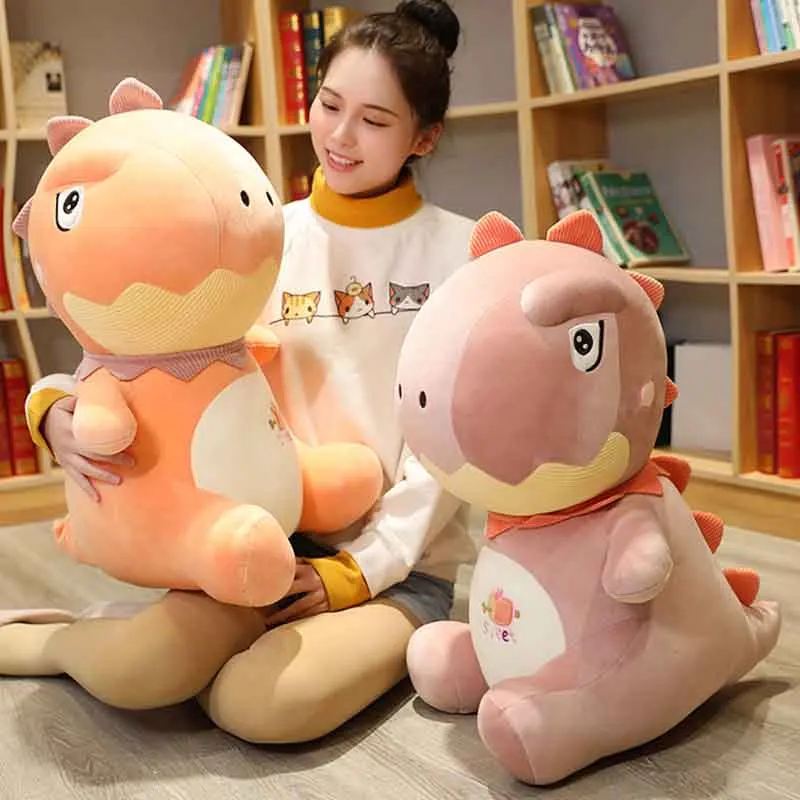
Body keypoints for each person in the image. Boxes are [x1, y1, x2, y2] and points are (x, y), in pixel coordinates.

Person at [0, 0, 480, 743]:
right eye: (329, 105)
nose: (341, 136)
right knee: (145, 673)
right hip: (255, 543)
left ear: (425, 137)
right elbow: (139, 346)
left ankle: (186, 646)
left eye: (375, 120)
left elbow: (450, 444)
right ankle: (57, 639)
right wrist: (54, 407)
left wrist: (359, 569)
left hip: (398, 569)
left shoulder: (462, 252)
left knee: (259, 707)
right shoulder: (257, 232)